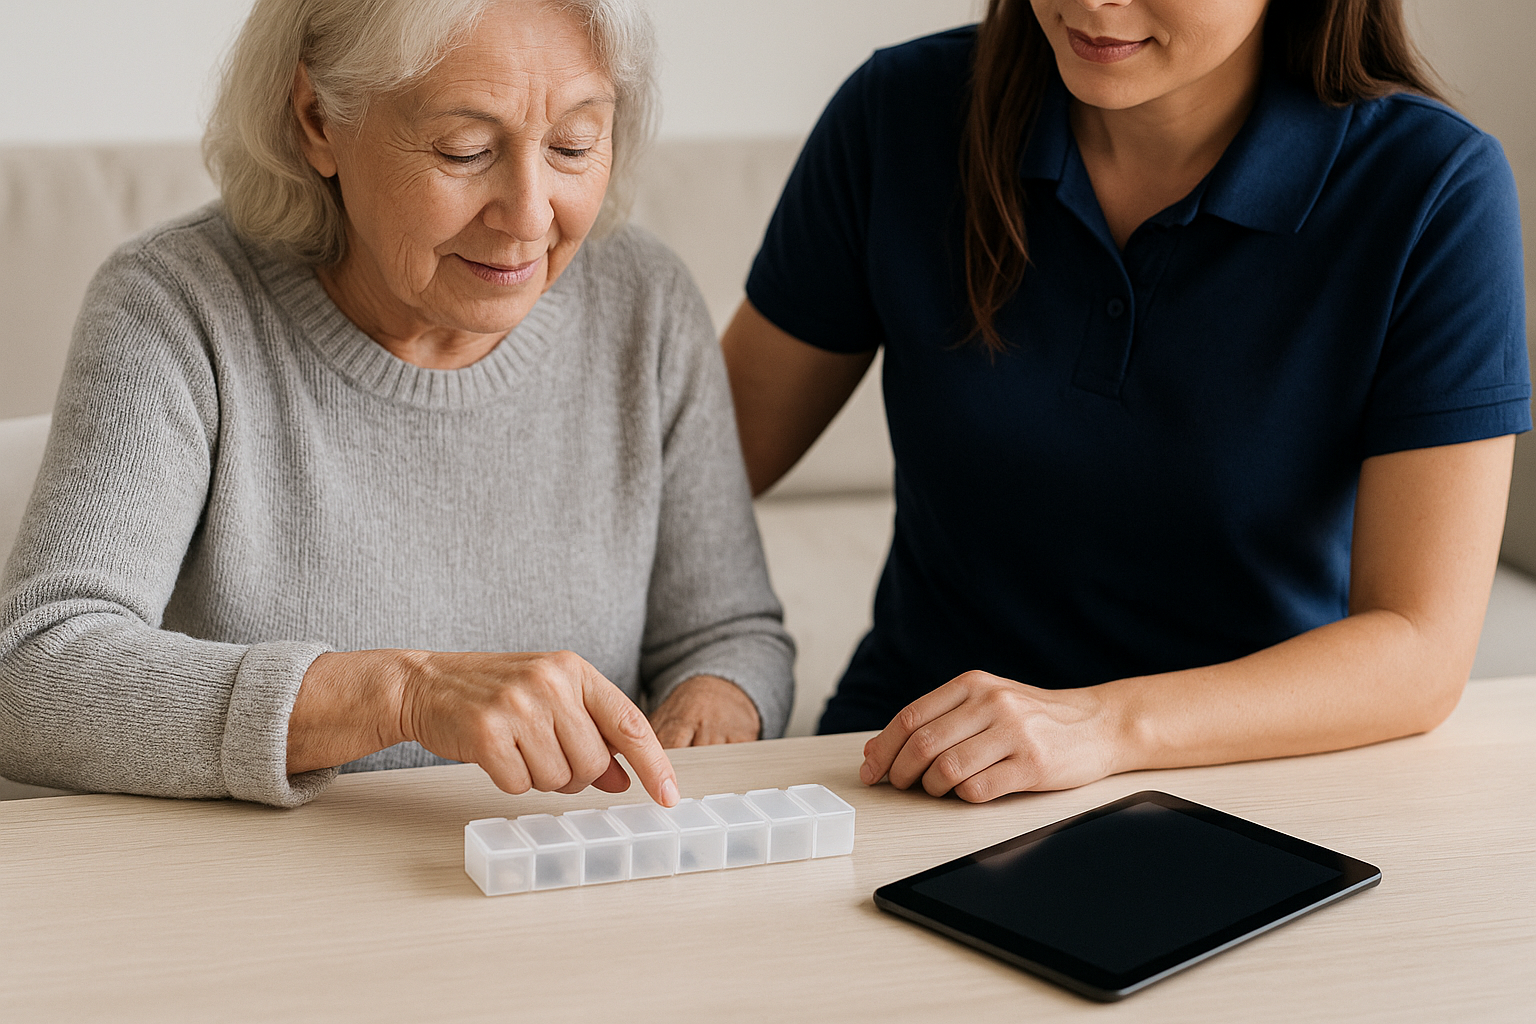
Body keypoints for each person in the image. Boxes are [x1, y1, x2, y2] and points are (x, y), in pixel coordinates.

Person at [723, 0, 1530, 802]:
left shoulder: (1431, 188)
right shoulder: (899, 111)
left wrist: (1103, 726)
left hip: (1252, 782)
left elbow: (1420, 649)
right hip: (916, 764)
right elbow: (690, 470)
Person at [0, 0, 793, 808]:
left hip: (555, 883)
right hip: (269, 901)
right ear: (317, 119)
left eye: (573, 145)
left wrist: (711, 709)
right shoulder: (177, 307)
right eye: (466, 149)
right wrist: (402, 695)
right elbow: (33, 672)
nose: (529, 213)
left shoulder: (644, 303)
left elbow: (730, 635)